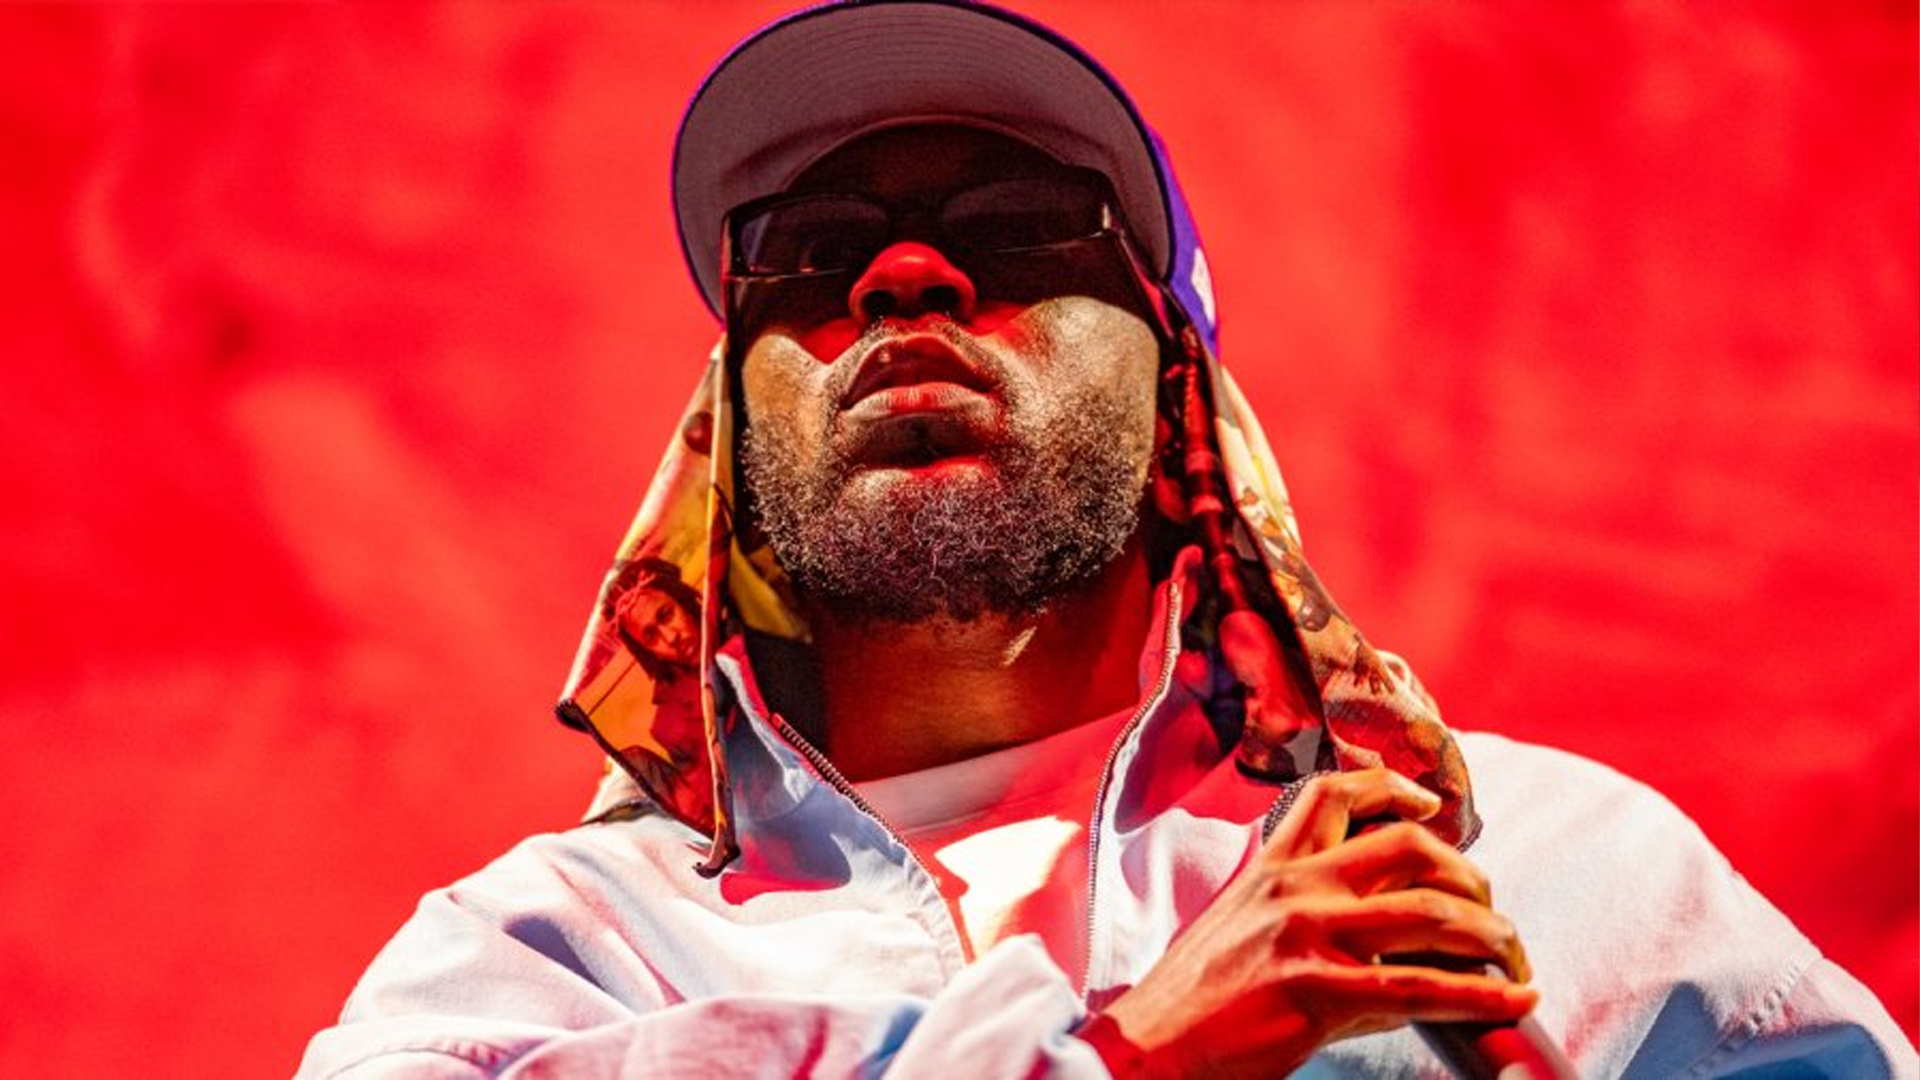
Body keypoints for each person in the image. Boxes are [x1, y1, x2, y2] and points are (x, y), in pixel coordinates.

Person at [299, 3, 1916, 1077]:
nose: (904, 280)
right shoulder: (546, 953)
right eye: (811, 248)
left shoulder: (1543, 871)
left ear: (1181, 412)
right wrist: (1139, 1059)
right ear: (723, 431)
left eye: (1020, 232)